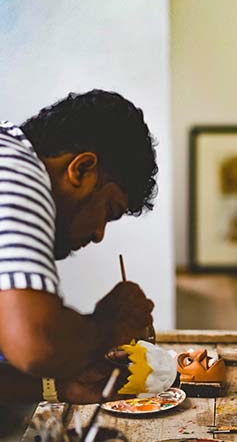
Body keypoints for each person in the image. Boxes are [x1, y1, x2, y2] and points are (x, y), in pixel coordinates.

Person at [0, 89, 157, 404]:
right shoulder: (15, 170)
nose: (98, 234)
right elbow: (37, 344)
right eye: (108, 211)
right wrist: (111, 324)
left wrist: (60, 388)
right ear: (82, 169)